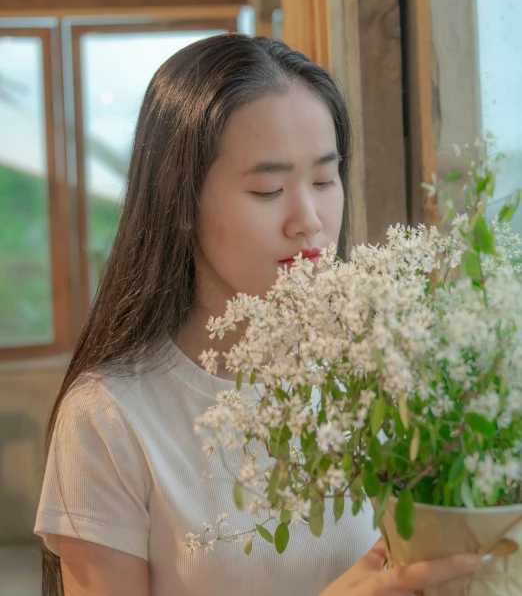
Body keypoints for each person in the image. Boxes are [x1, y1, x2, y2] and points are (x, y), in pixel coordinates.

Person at [35, 34, 482, 596]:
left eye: (324, 180)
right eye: (269, 190)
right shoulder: (111, 417)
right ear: (180, 202)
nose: (309, 219)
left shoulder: (394, 363)